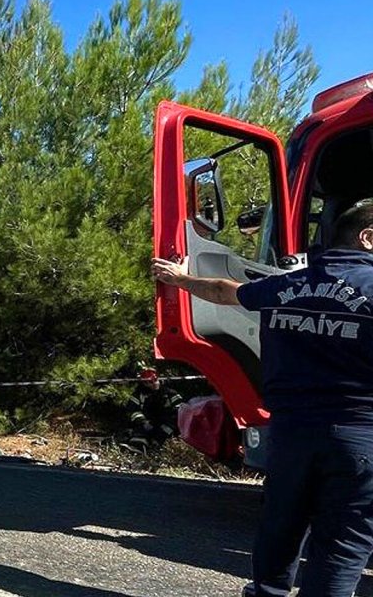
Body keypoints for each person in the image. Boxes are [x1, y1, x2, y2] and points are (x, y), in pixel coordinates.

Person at [152, 198, 373, 597]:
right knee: (343, 541)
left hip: (289, 433)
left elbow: (224, 292)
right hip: (359, 436)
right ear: (368, 238)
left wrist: (180, 280)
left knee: (281, 524)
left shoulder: (291, 284)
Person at [124, 378, 183, 454]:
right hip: (147, 422)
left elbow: (181, 408)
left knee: (166, 430)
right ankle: (137, 447)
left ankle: (155, 447)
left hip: (167, 423)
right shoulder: (138, 395)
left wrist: (170, 416)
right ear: (144, 384)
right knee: (140, 431)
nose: (153, 383)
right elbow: (132, 410)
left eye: (155, 380)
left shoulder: (170, 393)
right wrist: (142, 421)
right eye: (149, 382)